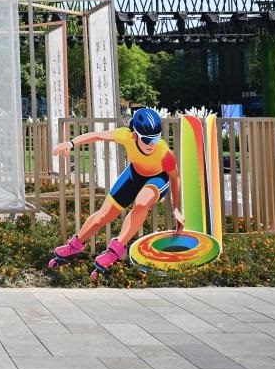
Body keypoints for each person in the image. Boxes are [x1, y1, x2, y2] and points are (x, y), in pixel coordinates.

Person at [47, 107, 184, 275]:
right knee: (103, 215)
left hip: (157, 178)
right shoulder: (126, 135)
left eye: (156, 138)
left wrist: (176, 209)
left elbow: (175, 179)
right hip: (134, 174)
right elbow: (97, 135)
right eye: (147, 139)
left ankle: (116, 249)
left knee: (141, 202)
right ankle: (74, 246)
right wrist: (71, 143)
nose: (152, 144)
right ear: (134, 135)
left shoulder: (165, 154)